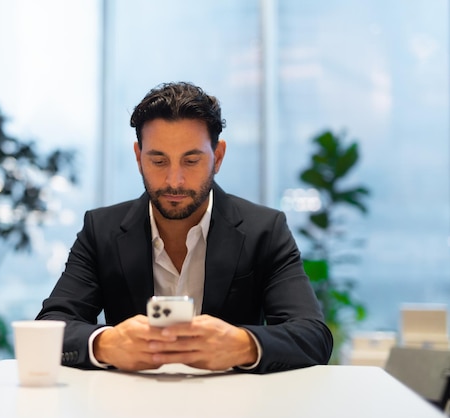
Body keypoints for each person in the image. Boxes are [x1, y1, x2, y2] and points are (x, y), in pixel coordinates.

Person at [36, 81, 333, 373]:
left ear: (217, 157)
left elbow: (312, 336)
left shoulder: (264, 231)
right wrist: (104, 343)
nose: (174, 181)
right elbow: (47, 330)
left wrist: (244, 344)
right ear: (139, 158)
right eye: (158, 161)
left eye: (191, 161)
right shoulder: (101, 231)